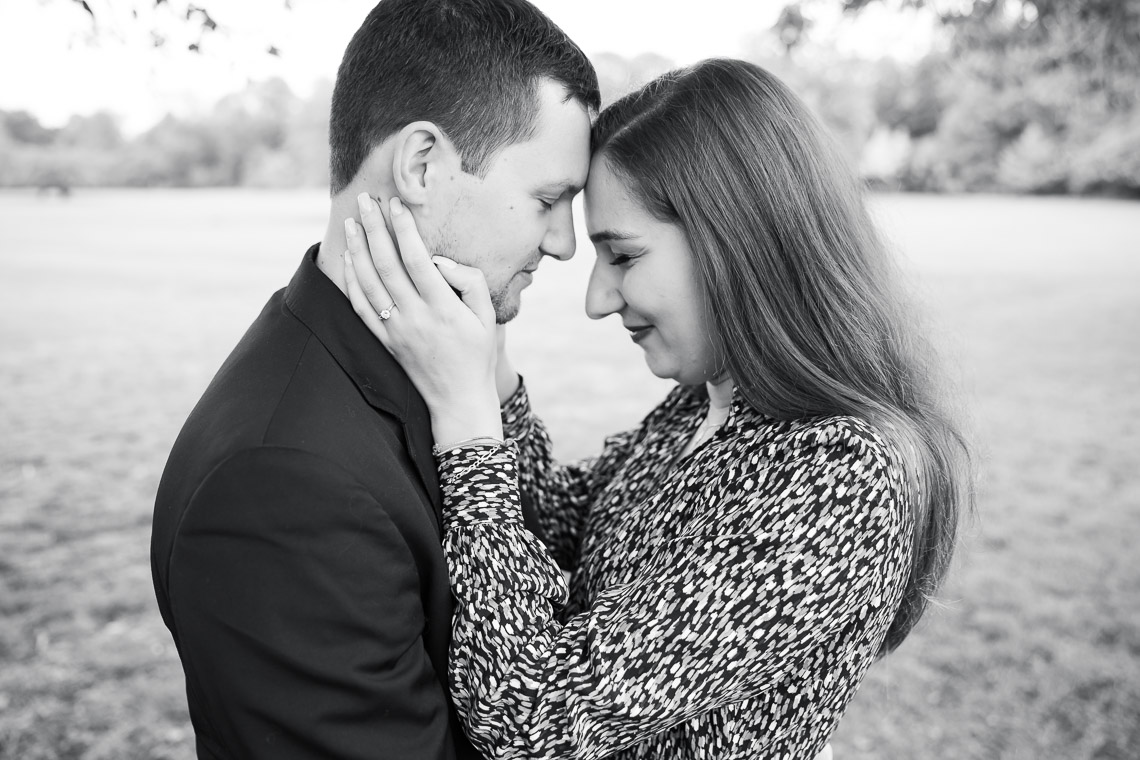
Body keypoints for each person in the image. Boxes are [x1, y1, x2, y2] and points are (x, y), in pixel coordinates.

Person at [341, 58, 972, 759]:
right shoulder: (706, 405)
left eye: (624, 256)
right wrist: (495, 375)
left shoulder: (845, 478)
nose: (597, 299)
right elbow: (567, 533)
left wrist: (468, 430)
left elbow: (529, 717)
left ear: (737, 242)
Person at [150, 1, 598, 758]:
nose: (562, 244)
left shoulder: (435, 378)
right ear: (422, 163)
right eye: (550, 200)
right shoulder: (281, 485)